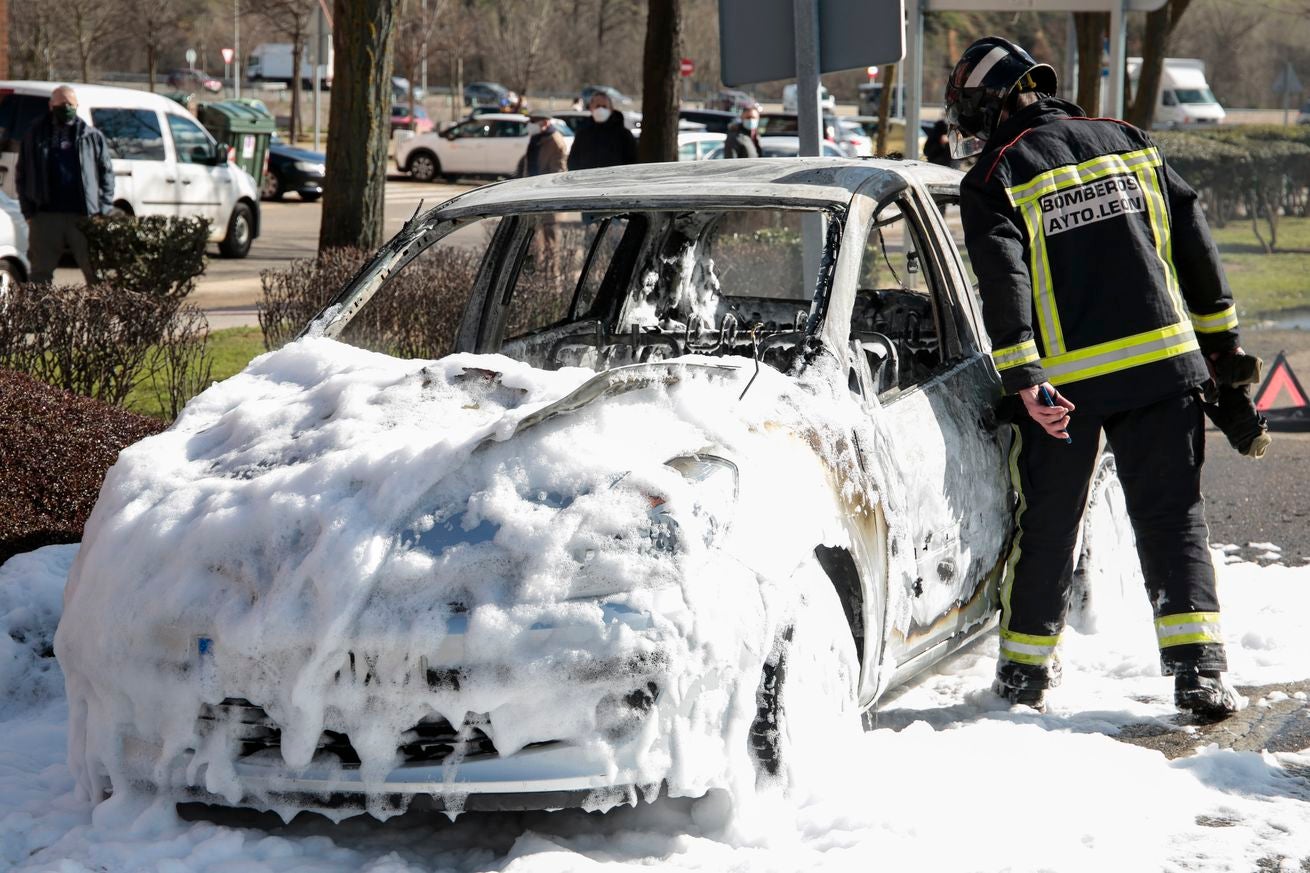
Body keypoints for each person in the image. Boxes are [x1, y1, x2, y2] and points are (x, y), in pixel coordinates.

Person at [945, 36, 1255, 719]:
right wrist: (1222, 344)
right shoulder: (1128, 139)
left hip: (1065, 392)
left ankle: (1024, 677)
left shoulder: (995, 174)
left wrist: (1025, 379)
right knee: (1174, 520)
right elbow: (1195, 239)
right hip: (1162, 368)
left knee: (1049, 526)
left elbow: (1005, 282)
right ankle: (1200, 673)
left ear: (992, 103)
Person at [16, 85, 115, 285]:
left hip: (84, 215)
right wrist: (28, 212)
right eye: (61, 103)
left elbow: (107, 174)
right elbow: (22, 174)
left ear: (77, 105)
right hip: (45, 216)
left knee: (95, 272)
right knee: (39, 276)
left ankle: (97, 316)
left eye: (70, 103)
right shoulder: (35, 134)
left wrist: (103, 209)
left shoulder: (91, 136)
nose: (66, 107)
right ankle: (38, 316)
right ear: (51, 105)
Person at [566, 91, 637, 172]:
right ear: (591, 108)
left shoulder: (624, 135)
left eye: (604, 106)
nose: (601, 109)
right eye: (597, 106)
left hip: (616, 182)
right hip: (587, 182)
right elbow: (573, 161)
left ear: (611, 109)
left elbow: (632, 161)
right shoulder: (582, 134)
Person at [516, 112, 568, 178]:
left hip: (543, 184)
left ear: (545, 123)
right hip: (530, 182)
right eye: (529, 121)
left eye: (533, 121)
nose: (529, 124)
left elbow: (558, 172)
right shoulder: (536, 136)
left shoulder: (555, 142)